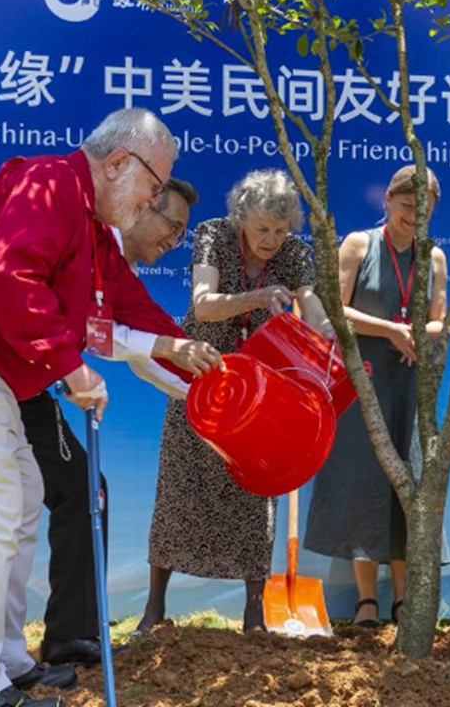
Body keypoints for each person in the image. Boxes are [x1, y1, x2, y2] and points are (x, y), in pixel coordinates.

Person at [0, 108, 221, 707]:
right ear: (119, 163)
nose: (150, 201)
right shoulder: (48, 183)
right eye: (152, 186)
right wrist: (71, 366)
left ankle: (6, 663)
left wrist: (210, 391)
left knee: (12, 513)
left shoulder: (92, 230)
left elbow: (134, 313)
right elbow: (11, 277)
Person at [134, 169, 332, 636]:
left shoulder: (295, 255)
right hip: (201, 374)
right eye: (263, 228)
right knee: (178, 488)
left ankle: (253, 615)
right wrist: (258, 297)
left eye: (281, 231)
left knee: (255, 492)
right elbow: (203, 305)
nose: (271, 240)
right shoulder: (212, 236)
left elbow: (313, 303)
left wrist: (327, 337)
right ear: (241, 217)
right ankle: (154, 609)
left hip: (261, 391)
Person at [22, 177, 202, 667]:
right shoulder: (86, 240)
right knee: (66, 496)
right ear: (143, 206)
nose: (176, 241)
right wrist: (167, 349)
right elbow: (97, 333)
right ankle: (54, 643)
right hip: (1, 381)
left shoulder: (113, 263)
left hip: (31, 388)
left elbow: (147, 331)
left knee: (82, 491)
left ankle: (70, 638)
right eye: (173, 226)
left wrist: (209, 393)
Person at [304, 164, 448, 627]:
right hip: (362, 383)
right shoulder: (358, 244)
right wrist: (391, 330)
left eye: (423, 211)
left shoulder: (435, 258)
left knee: (408, 487)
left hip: (409, 383)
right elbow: (334, 311)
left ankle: (405, 600)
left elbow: (439, 319)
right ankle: (366, 601)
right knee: (362, 485)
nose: (413, 218)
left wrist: (418, 336)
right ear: (387, 201)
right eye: (407, 208)